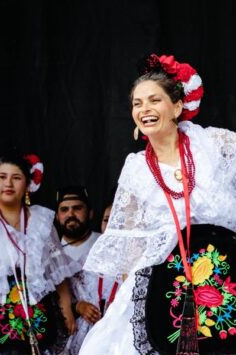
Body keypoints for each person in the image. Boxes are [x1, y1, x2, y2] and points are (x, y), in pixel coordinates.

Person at [80, 54, 236, 354]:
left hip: (224, 280)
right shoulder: (136, 168)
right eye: (137, 103)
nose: (144, 109)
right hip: (165, 288)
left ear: (177, 106)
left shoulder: (216, 145)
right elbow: (129, 247)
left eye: (154, 100)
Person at [0, 153, 79, 354]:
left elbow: (57, 273)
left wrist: (66, 309)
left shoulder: (42, 222)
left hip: (37, 319)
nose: (8, 183)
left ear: (27, 185)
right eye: (1, 177)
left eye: (16, 178)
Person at [55, 186, 121, 354]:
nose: (70, 214)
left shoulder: (100, 244)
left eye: (77, 208)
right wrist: (78, 306)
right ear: (57, 216)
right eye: (64, 209)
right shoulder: (51, 252)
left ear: (91, 213)